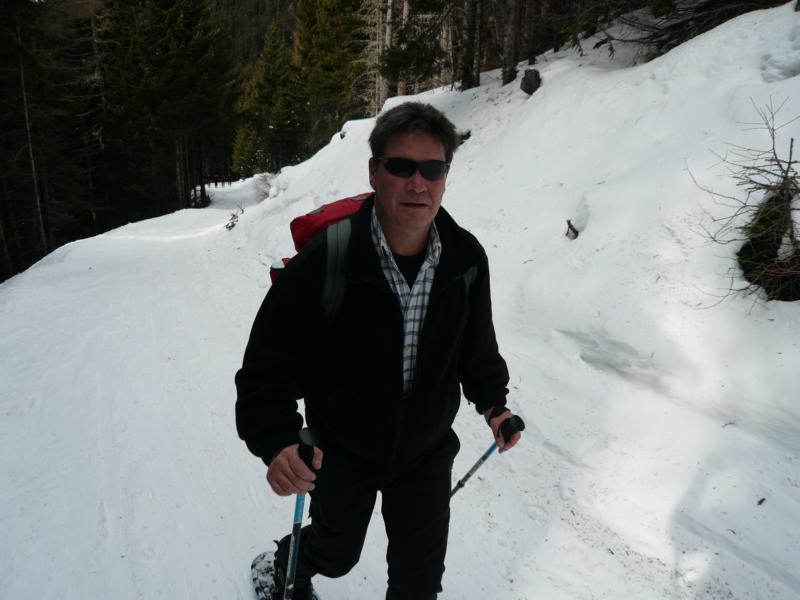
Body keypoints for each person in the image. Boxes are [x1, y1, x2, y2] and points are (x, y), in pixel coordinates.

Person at [235, 101, 521, 600]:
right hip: (343, 450)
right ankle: (284, 564)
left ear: (446, 177)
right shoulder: (329, 260)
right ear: (374, 172)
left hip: (426, 451)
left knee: (419, 582)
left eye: (432, 169)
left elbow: (476, 346)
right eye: (401, 167)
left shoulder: (465, 259)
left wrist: (494, 405)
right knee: (335, 553)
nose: (418, 183)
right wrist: (278, 441)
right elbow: (267, 369)